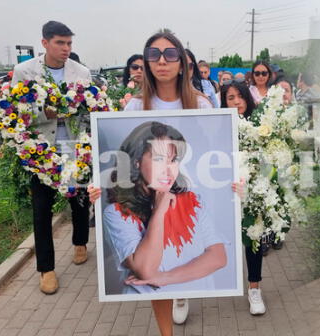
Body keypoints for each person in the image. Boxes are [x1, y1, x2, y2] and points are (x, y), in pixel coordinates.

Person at [95, 29, 214, 335]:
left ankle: (182, 291)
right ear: (146, 62)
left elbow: (215, 148)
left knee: (181, 251)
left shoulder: (201, 103)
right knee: (154, 263)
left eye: (170, 54)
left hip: (185, 189)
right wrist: (98, 189)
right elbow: (122, 162)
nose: (162, 61)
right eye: (154, 55)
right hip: (146, 198)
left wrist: (233, 185)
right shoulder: (135, 106)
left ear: (181, 62)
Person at [11, 20, 92, 295]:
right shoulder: (24, 71)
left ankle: (80, 242)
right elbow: (16, 113)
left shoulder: (81, 72)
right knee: (42, 209)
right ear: (45, 43)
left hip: (74, 144)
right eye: (60, 43)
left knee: (79, 200)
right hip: (41, 149)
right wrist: (44, 113)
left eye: (69, 43)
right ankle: (46, 269)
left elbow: (88, 110)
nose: (66, 48)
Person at [100, 121, 227, 292]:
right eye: (159, 159)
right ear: (136, 161)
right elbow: (146, 270)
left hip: (198, 300)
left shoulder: (193, 201)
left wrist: (164, 278)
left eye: (173, 160)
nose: (168, 169)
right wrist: (159, 212)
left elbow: (218, 257)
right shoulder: (116, 213)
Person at [221, 80, 271, 315]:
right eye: (230, 98)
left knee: (253, 240)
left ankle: (254, 289)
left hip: (252, 192)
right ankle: (187, 292)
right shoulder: (218, 126)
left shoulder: (260, 124)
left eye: (239, 96)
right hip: (224, 191)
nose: (236, 101)